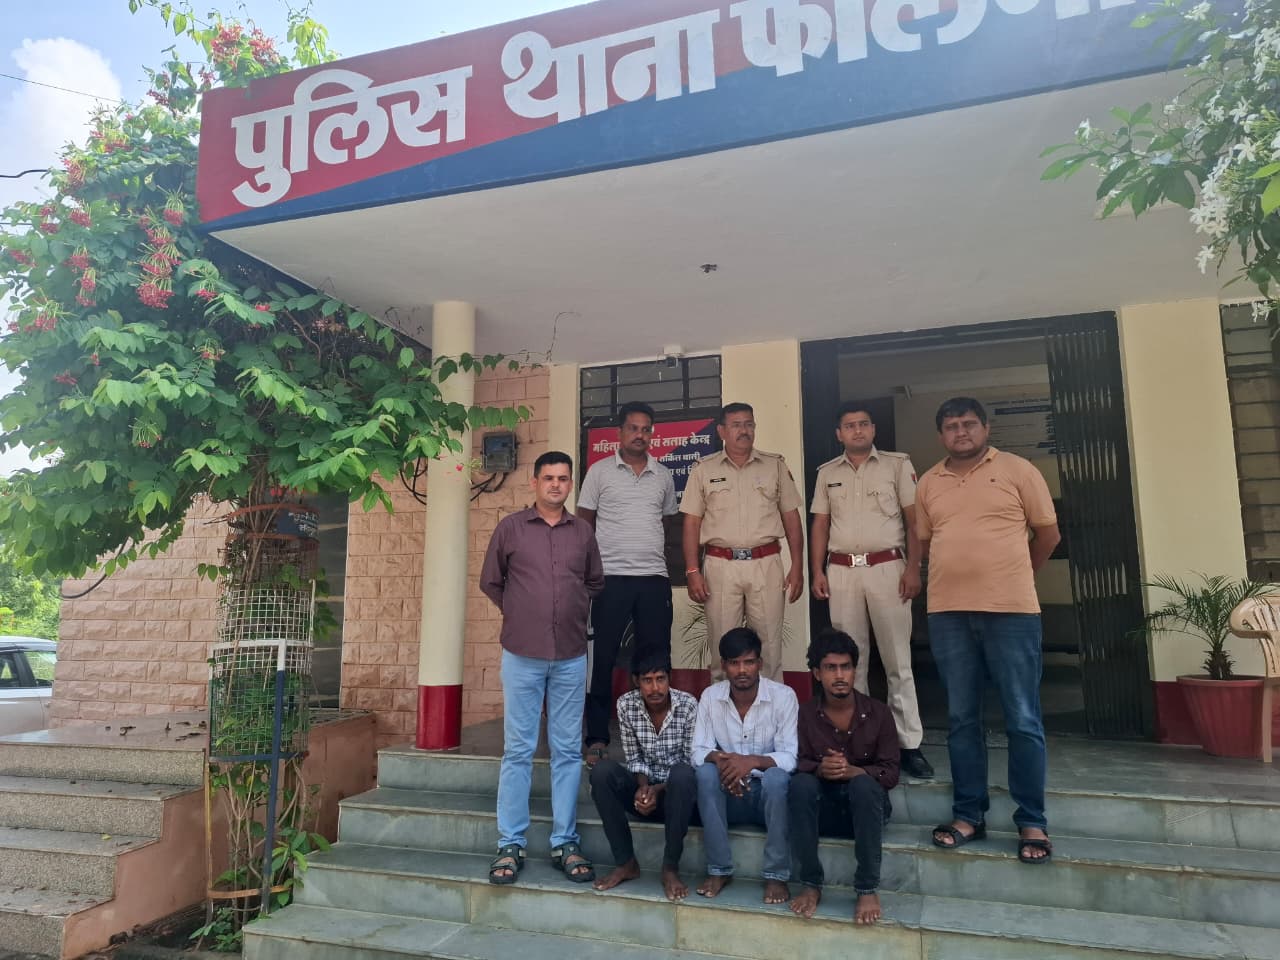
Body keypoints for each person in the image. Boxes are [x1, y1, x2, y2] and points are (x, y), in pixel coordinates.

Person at [915, 398, 1061, 866]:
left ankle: (1032, 820)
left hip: (1012, 613)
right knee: (962, 719)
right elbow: (925, 541)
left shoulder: (1019, 471)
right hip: (948, 614)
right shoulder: (928, 482)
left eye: (968, 424)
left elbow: (1048, 536)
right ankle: (968, 815)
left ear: (985, 427)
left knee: (1022, 718)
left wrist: (1015, 576)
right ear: (941, 435)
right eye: (951, 426)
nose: (961, 432)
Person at [479, 451, 605, 886]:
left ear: (571, 484)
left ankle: (564, 841)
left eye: (563, 478)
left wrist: (567, 609)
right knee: (518, 749)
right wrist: (521, 613)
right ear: (534, 482)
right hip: (522, 654)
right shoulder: (510, 528)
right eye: (548, 477)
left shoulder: (583, 532)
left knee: (567, 750)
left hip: (570, 654)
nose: (556, 484)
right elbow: (491, 581)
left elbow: (594, 582)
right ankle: (509, 843)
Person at [810, 403, 933, 780]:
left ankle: (908, 744)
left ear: (873, 429)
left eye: (863, 424)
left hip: (887, 568)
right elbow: (820, 525)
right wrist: (817, 571)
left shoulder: (897, 465)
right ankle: (857, 743)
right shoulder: (827, 473)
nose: (858, 430)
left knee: (898, 660)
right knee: (850, 662)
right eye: (849, 426)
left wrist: (913, 568)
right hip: (842, 570)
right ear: (839, 434)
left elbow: (915, 522)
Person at [577, 400, 678, 766]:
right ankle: (597, 736)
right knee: (601, 658)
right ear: (619, 433)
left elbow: (667, 524)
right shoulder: (599, 472)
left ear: (652, 434)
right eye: (633, 428)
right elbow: (584, 523)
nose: (640, 435)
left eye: (646, 429)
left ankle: (657, 733)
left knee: (655, 657)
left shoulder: (663, 475)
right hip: (610, 579)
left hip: (653, 579)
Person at [681, 403, 805, 681]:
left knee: (769, 647)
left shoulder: (774, 466)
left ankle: (770, 707)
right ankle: (722, 707)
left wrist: (797, 566)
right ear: (722, 431)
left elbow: (791, 518)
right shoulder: (704, 469)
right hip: (720, 566)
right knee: (722, 647)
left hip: (766, 563)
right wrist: (692, 570)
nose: (744, 430)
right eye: (736, 425)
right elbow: (691, 523)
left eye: (749, 424)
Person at [788, 628, 899, 926]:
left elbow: (891, 773)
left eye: (845, 667)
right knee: (800, 784)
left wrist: (857, 771)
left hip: (867, 812)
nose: (839, 675)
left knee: (863, 784)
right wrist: (819, 768)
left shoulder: (879, 713)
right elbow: (796, 761)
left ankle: (867, 888)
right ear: (816, 673)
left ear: (854, 670)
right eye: (830, 668)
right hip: (823, 812)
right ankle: (811, 883)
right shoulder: (805, 714)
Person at [691, 627, 797, 904]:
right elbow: (697, 751)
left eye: (748, 662)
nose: (742, 670)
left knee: (777, 778)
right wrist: (724, 762)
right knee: (705, 773)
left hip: (767, 798)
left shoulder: (784, 696)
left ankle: (776, 875)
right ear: (724, 665)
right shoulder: (710, 697)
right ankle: (719, 869)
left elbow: (791, 756)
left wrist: (751, 762)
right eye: (734, 663)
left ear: (759, 663)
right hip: (729, 794)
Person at [588, 647, 699, 902]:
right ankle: (626, 862)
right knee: (602, 772)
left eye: (660, 679)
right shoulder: (626, 705)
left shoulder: (688, 705)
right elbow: (634, 758)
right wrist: (642, 788)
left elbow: (690, 762)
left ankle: (670, 867)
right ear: (636, 681)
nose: (655, 688)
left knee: (683, 774)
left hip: (678, 797)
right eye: (647, 681)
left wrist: (657, 790)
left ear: (670, 678)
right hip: (645, 794)